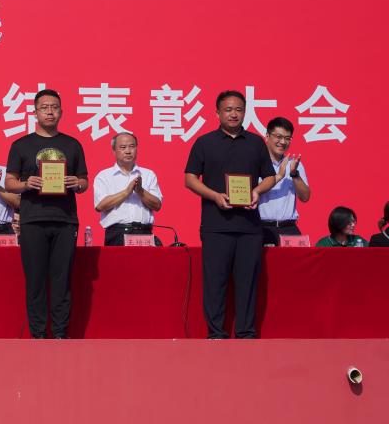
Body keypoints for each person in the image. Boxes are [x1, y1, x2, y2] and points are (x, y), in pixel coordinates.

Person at [184, 90, 276, 339]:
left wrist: (257, 191)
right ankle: (216, 333)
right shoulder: (204, 142)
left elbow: (270, 177)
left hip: (249, 227)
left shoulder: (256, 142)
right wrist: (215, 196)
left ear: (245, 112)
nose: (234, 114)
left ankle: (246, 333)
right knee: (215, 282)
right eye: (228, 109)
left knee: (248, 283)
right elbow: (190, 179)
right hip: (216, 226)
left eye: (238, 109)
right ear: (217, 113)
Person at [4, 89, 89, 339]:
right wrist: (26, 184)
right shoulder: (21, 145)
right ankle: (38, 333)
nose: (49, 112)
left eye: (54, 107)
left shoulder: (72, 145)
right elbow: (9, 183)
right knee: (35, 280)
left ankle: (60, 332)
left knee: (62, 280)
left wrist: (77, 184)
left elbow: (84, 182)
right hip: (33, 219)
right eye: (44, 107)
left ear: (61, 112)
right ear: (35, 112)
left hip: (65, 220)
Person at [92, 132, 163, 246]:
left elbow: (157, 205)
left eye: (132, 146)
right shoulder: (104, 175)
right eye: (123, 147)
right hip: (117, 234)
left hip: (144, 233)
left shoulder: (148, 174)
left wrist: (140, 191)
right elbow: (100, 206)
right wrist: (126, 192)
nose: (128, 151)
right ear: (114, 151)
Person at [258, 117, 311, 246]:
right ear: (267, 136)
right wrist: (278, 176)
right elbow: (249, 193)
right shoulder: (256, 163)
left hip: (289, 228)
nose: (283, 142)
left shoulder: (295, 164)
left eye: (287, 138)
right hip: (262, 227)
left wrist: (294, 174)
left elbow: (305, 197)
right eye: (278, 137)